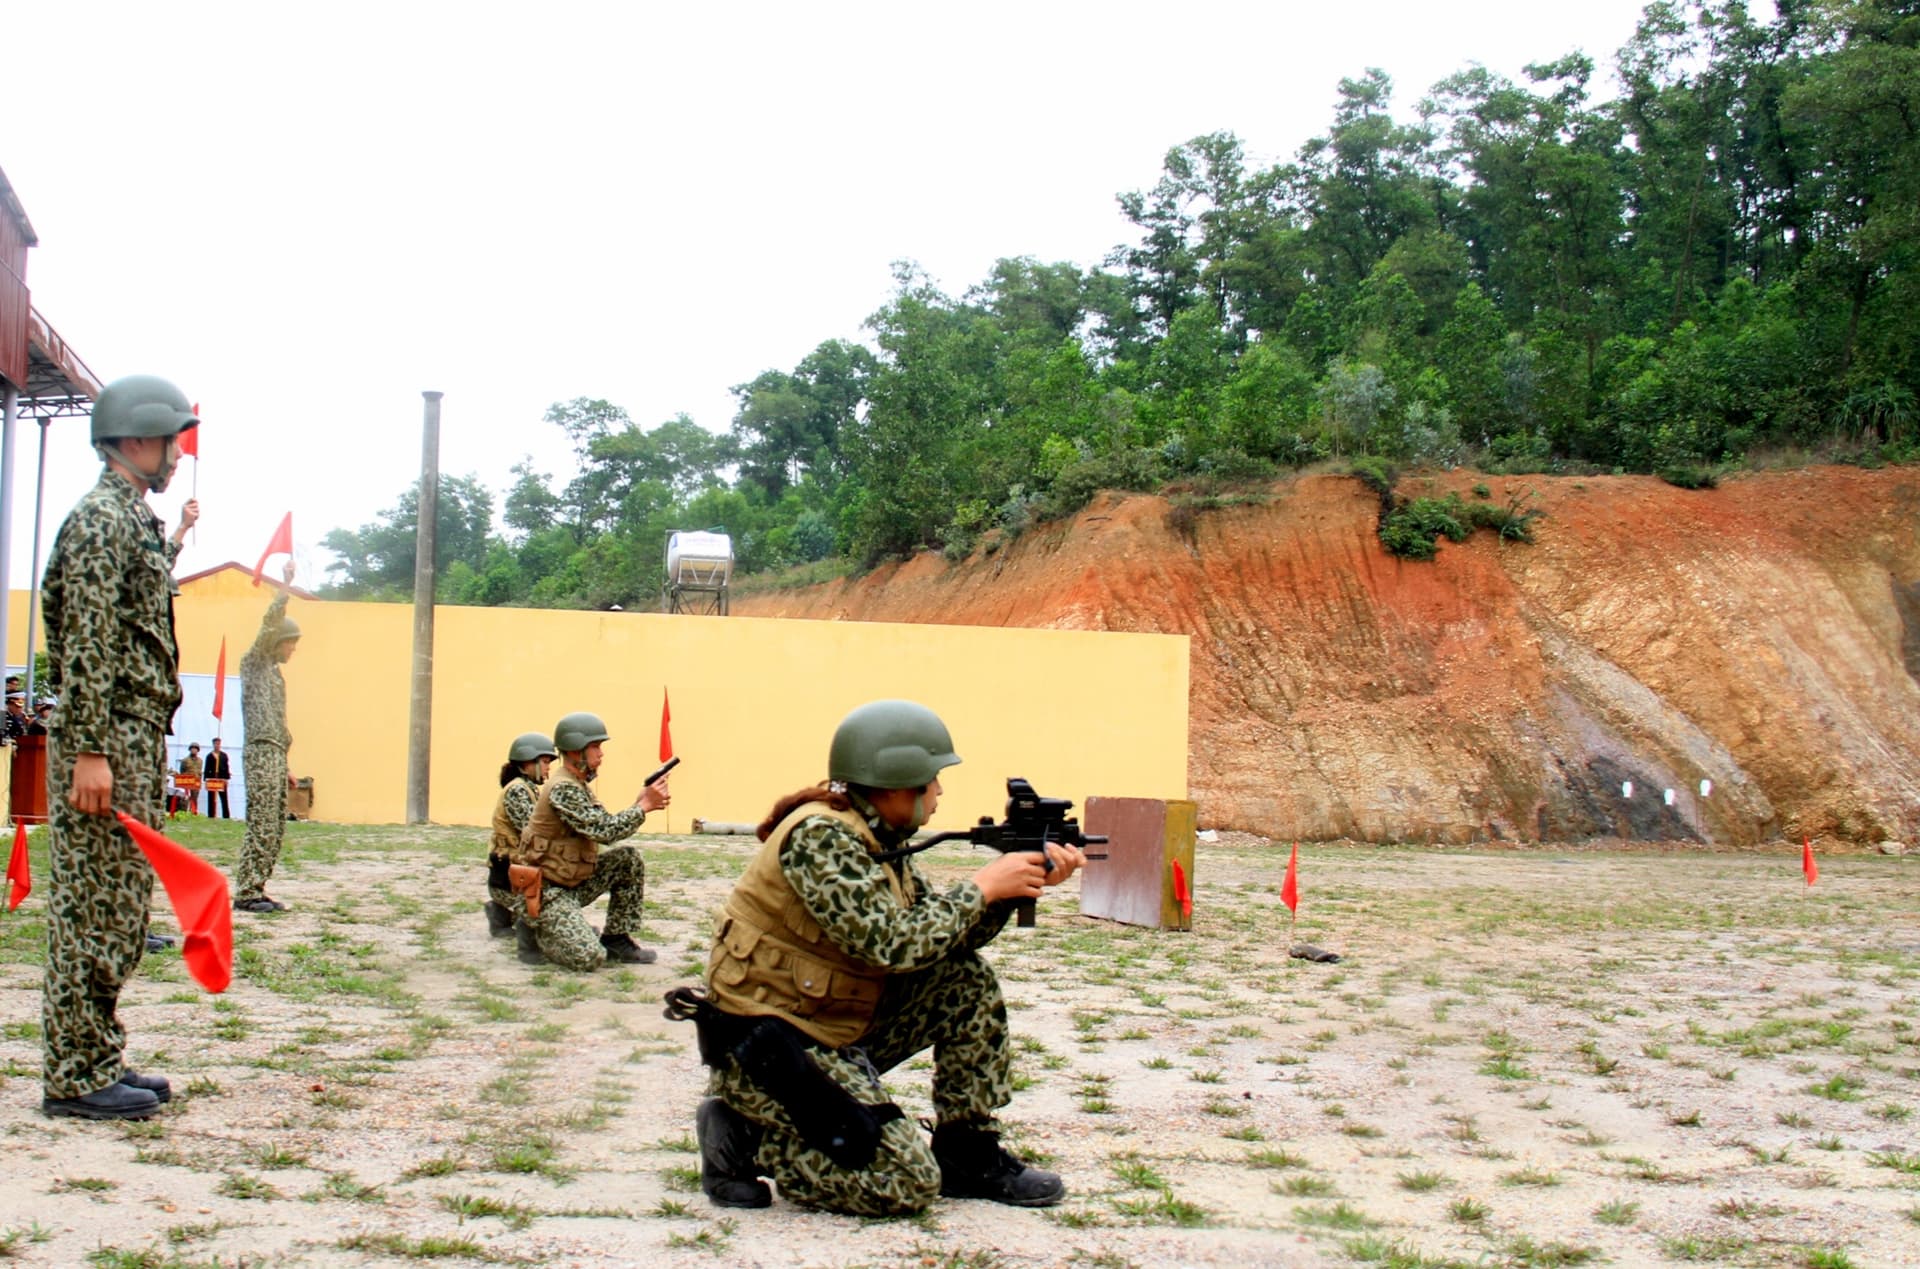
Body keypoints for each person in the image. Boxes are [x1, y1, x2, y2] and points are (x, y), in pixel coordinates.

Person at [680, 699, 1082, 1216]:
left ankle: (967, 1152)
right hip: (769, 1050)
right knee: (906, 1181)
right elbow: (891, 944)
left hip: (827, 1025)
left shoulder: (875, 835)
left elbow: (935, 939)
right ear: (896, 782)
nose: (939, 792)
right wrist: (983, 887)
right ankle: (744, 1138)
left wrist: (1007, 893)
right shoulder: (821, 837)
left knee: (964, 983)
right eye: (932, 779)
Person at [38, 373, 200, 1120]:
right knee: (91, 907)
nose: (176, 454)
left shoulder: (129, 520)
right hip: (107, 737)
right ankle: (75, 1074)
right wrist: (90, 750)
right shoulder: (103, 520)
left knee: (121, 904)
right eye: (171, 440)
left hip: (133, 732)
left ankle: (97, 1054)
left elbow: (131, 612)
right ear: (137, 439)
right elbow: (90, 644)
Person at [512, 711, 668, 970]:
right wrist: (643, 807)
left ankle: (616, 938)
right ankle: (534, 929)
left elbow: (603, 825)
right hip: (548, 890)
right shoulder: (563, 787)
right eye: (595, 746)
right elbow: (604, 831)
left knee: (627, 859)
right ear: (575, 751)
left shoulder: (578, 784)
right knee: (589, 957)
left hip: (572, 882)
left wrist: (640, 803)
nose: (601, 753)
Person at [232, 561, 298, 913]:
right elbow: (268, 624)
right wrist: (285, 588)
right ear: (277, 642)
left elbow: (279, 724)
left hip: (274, 754)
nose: (293, 650)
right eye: (291, 643)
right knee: (260, 821)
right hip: (259, 752)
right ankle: (246, 892)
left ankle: (258, 886)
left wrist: (287, 764)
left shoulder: (275, 675)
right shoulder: (254, 664)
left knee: (275, 824)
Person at [485, 731, 557, 941]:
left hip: (517, 873)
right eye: (544, 761)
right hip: (510, 876)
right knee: (551, 914)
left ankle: (502, 913)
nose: (548, 767)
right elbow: (533, 833)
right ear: (528, 762)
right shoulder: (517, 790)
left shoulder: (529, 789)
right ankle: (503, 911)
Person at [171, 743, 202, 815]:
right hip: (187, 781)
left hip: (196, 782)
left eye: (195, 749)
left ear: (198, 750)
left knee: (194, 798)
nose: (194, 750)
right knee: (185, 798)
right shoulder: (185, 760)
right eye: (192, 748)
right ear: (190, 749)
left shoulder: (200, 761)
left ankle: (193, 812)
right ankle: (183, 812)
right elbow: (182, 771)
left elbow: (199, 771)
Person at [203, 737, 231, 817]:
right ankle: (211, 815)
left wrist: (226, 779)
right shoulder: (209, 756)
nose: (217, 745)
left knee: (224, 798)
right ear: (213, 745)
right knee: (211, 798)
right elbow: (206, 768)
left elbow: (227, 767)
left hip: (221, 778)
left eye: (218, 744)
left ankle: (226, 816)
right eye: (215, 744)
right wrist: (206, 779)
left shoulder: (224, 755)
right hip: (212, 779)